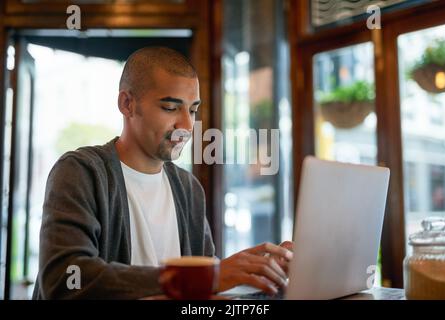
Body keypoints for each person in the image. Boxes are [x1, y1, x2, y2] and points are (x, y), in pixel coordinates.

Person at [33, 47, 293, 300]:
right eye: (170, 108)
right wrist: (201, 277)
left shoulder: (188, 189)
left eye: (192, 110)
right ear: (127, 104)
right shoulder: (82, 172)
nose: (188, 126)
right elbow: (65, 279)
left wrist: (259, 275)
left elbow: (204, 290)